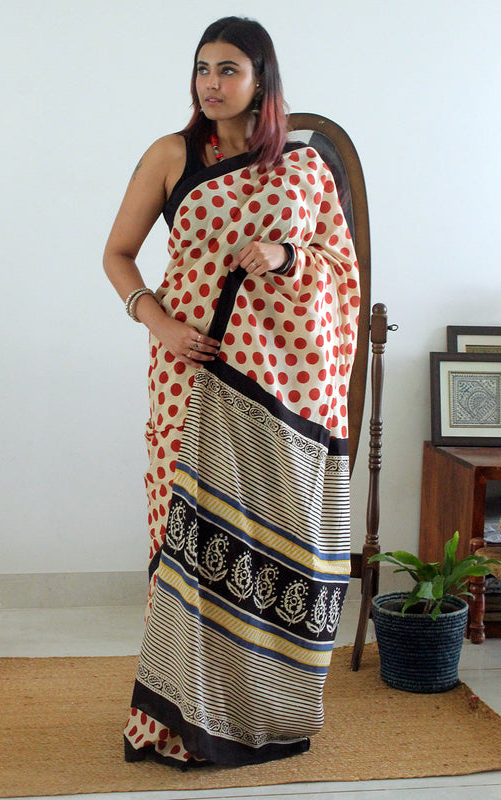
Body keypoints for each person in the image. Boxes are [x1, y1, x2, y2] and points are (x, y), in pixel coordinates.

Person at [103, 16, 360, 768]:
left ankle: (264, 712)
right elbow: (118, 254)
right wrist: (160, 324)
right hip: (191, 378)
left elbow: (339, 267)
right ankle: (174, 721)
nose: (210, 84)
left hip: (284, 390)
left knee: (273, 546)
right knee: (183, 542)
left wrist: (284, 253)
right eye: (202, 69)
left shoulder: (306, 167)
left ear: (261, 80)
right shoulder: (171, 155)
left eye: (228, 70)